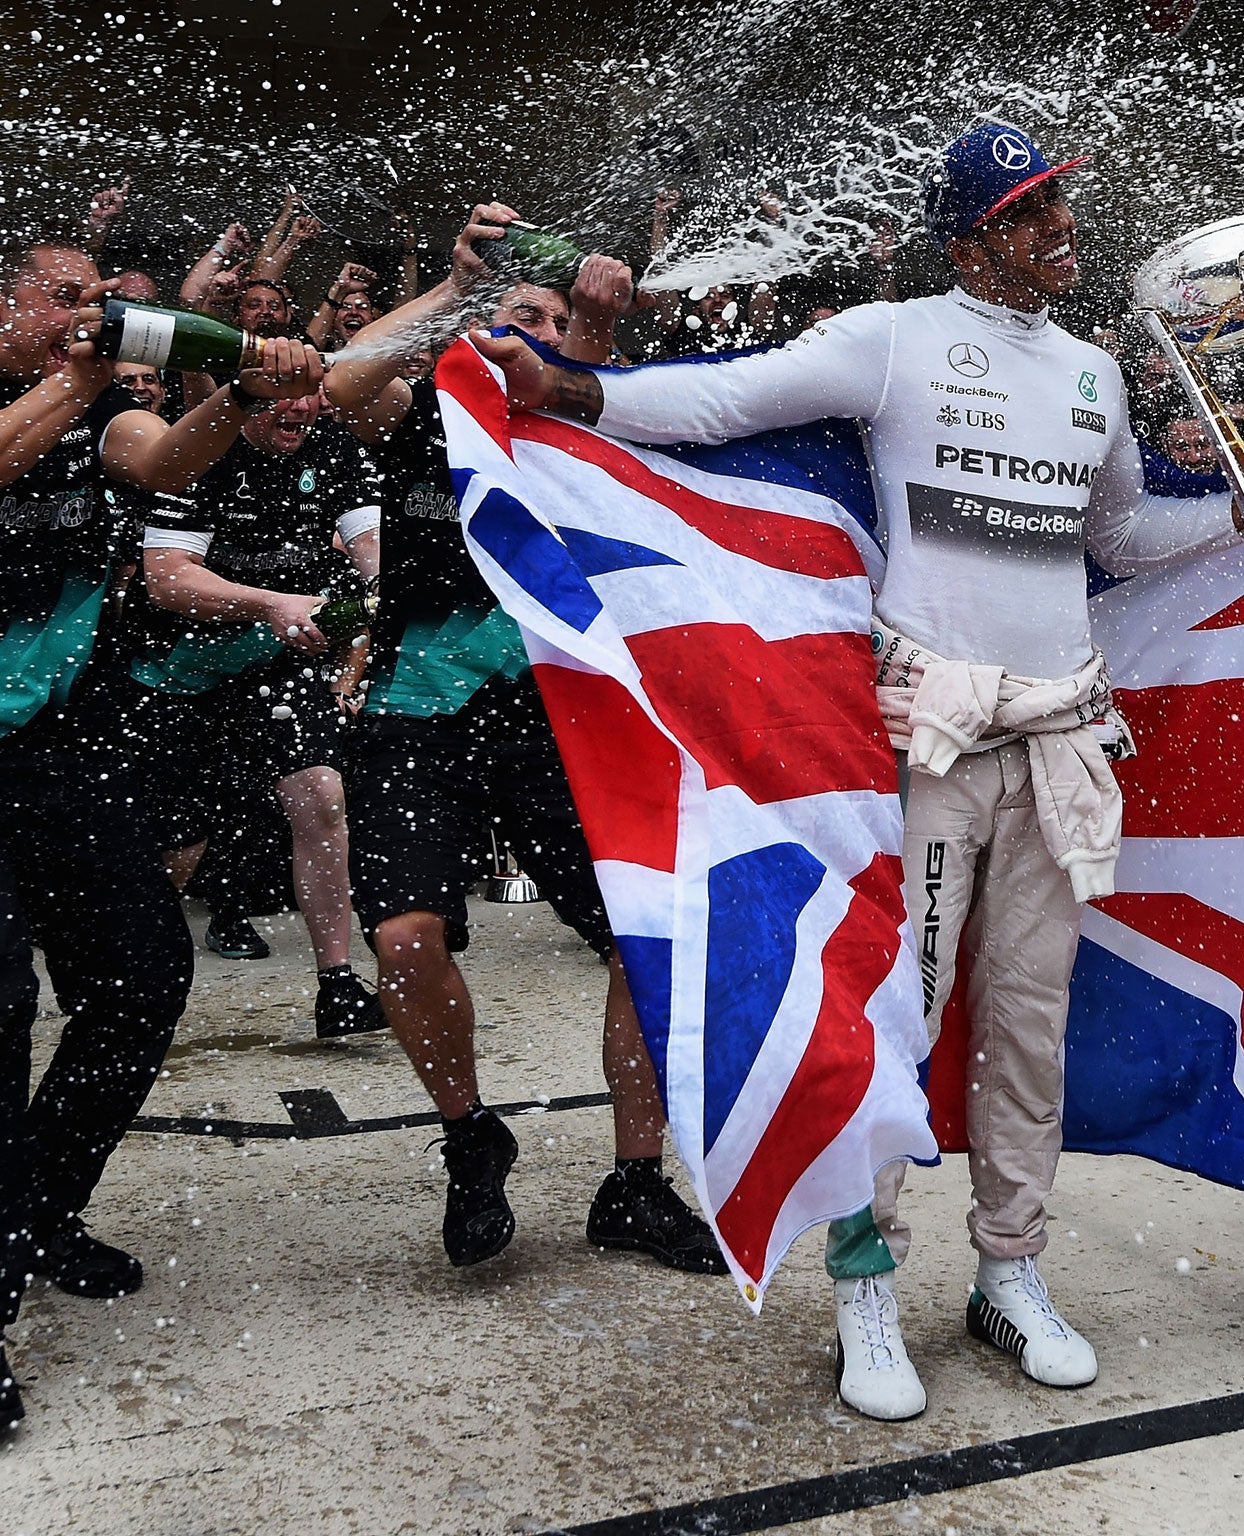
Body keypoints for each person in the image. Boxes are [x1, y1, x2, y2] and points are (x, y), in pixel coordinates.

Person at [475, 122, 1244, 1423]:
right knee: (888, 1027)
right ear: (974, 239)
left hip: (1064, 740)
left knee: (1027, 1029)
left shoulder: (1091, 370)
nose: (1061, 225)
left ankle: (1009, 1273)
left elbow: (1127, 535)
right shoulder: (894, 335)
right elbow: (731, 401)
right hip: (925, 746)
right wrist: (579, 395)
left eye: (1058, 202)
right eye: (1032, 212)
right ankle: (866, 1289)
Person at [322, 203, 723, 1280]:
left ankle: (634, 1182)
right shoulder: (422, 410)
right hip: (415, 712)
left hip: (562, 717)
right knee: (404, 942)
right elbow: (341, 385)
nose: (533, 331)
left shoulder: (586, 428)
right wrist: (452, 290)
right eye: (518, 314)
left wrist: (589, 338)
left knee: (644, 942)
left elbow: (602, 432)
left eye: (557, 320)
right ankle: (469, 1136)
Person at [1, 241, 310, 1429]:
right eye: (68, 297)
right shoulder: (60, 392)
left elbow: (163, 457)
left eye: (101, 298)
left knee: (140, 979)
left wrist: (237, 395)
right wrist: (79, 376)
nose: (96, 312)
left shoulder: (102, 413)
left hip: (56, 748)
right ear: (9, 303)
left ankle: (34, 1212)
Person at [98, 375, 388, 1039]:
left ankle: (337, 984)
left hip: (276, 660)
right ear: (248, 401)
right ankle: (127, 983)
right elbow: (168, 579)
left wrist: (385, 587)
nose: (302, 412)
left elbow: (371, 544)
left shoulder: (336, 449)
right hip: (175, 669)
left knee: (321, 796)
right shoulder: (200, 449)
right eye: (285, 401)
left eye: (312, 399)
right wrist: (270, 602)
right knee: (179, 845)